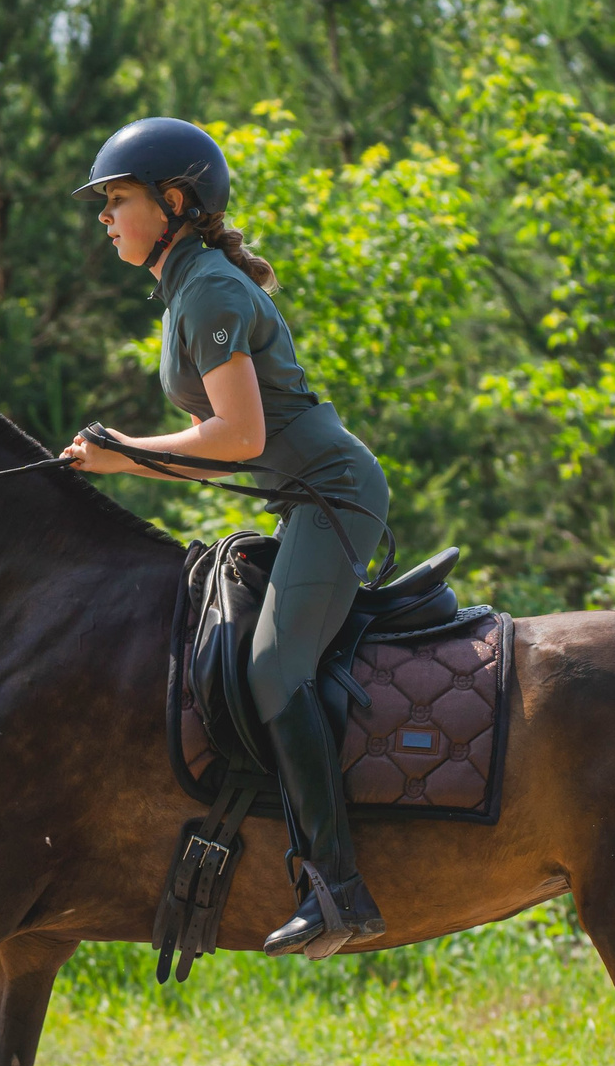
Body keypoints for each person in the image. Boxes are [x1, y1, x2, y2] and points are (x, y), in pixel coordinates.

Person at [61, 117, 388, 958]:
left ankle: (338, 891)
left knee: (276, 665)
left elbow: (236, 439)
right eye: (101, 205)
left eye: (116, 200)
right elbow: (219, 454)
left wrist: (125, 455)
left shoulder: (206, 289)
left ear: (174, 201)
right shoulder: (185, 286)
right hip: (303, 500)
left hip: (335, 498)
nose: (104, 217)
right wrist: (114, 461)